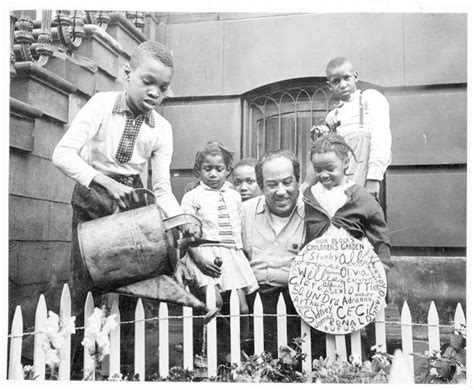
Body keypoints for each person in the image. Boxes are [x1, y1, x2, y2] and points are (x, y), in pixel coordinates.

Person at [52, 41, 199, 376]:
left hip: (134, 207)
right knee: (84, 288)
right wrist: (105, 183)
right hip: (93, 198)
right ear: (127, 74)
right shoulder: (101, 104)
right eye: (147, 81)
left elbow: (161, 187)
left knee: (134, 290)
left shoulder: (162, 128)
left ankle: (125, 372)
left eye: (162, 87)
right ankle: (73, 373)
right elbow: (62, 154)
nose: (154, 92)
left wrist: (179, 221)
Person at [303, 133, 393, 355]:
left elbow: (379, 231)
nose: (323, 174)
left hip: (356, 267)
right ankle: (332, 359)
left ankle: (375, 357)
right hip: (324, 269)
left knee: (365, 311)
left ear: (345, 163)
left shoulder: (359, 195)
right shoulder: (310, 195)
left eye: (330, 168)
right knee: (330, 314)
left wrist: (383, 264)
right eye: (318, 169)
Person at [179, 141, 259, 357]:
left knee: (241, 308)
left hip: (231, 253)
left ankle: (239, 351)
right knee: (214, 303)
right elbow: (185, 234)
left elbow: (240, 225)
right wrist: (198, 260)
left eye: (219, 169)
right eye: (207, 169)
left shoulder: (234, 195)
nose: (213, 174)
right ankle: (209, 353)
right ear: (198, 170)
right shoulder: (192, 196)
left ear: (228, 171)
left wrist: (243, 250)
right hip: (203, 251)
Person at [241, 150, 311, 357]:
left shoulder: (314, 214)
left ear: (298, 181)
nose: (281, 191)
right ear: (261, 186)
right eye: (272, 185)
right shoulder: (243, 212)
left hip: (297, 305)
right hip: (253, 302)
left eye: (287, 182)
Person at [304, 57, 392, 202]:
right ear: (330, 85)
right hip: (339, 185)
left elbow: (381, 138)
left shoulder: (370, 98)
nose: (343, 85)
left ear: (355, 76)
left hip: (364, 180)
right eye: (336, 81)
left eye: (346, 78)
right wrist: (321, 137)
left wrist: (374, 178)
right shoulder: (333, 115)